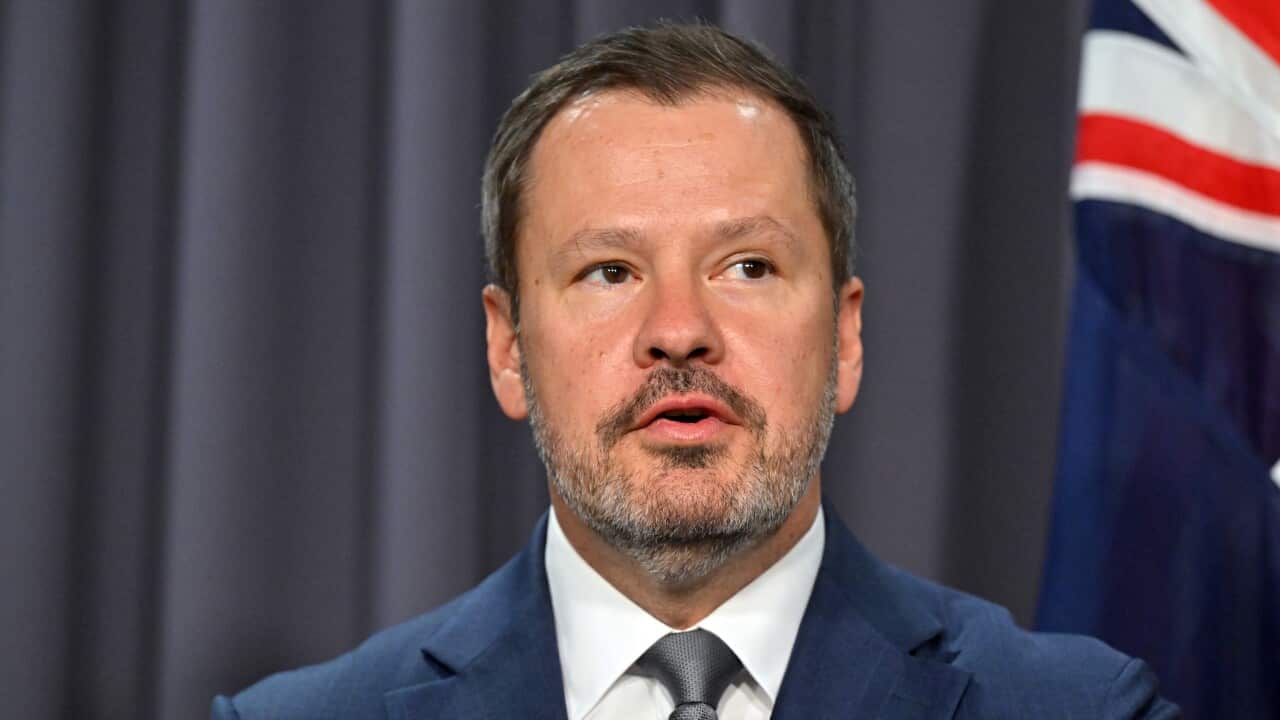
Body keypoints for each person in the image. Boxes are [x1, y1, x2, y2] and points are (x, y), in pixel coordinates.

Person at [212, 22, 1178, 720]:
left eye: (747, 267)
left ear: (844, 339)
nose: (679, 331)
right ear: (508, 349)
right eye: (609, 271)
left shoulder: (1081, 709)